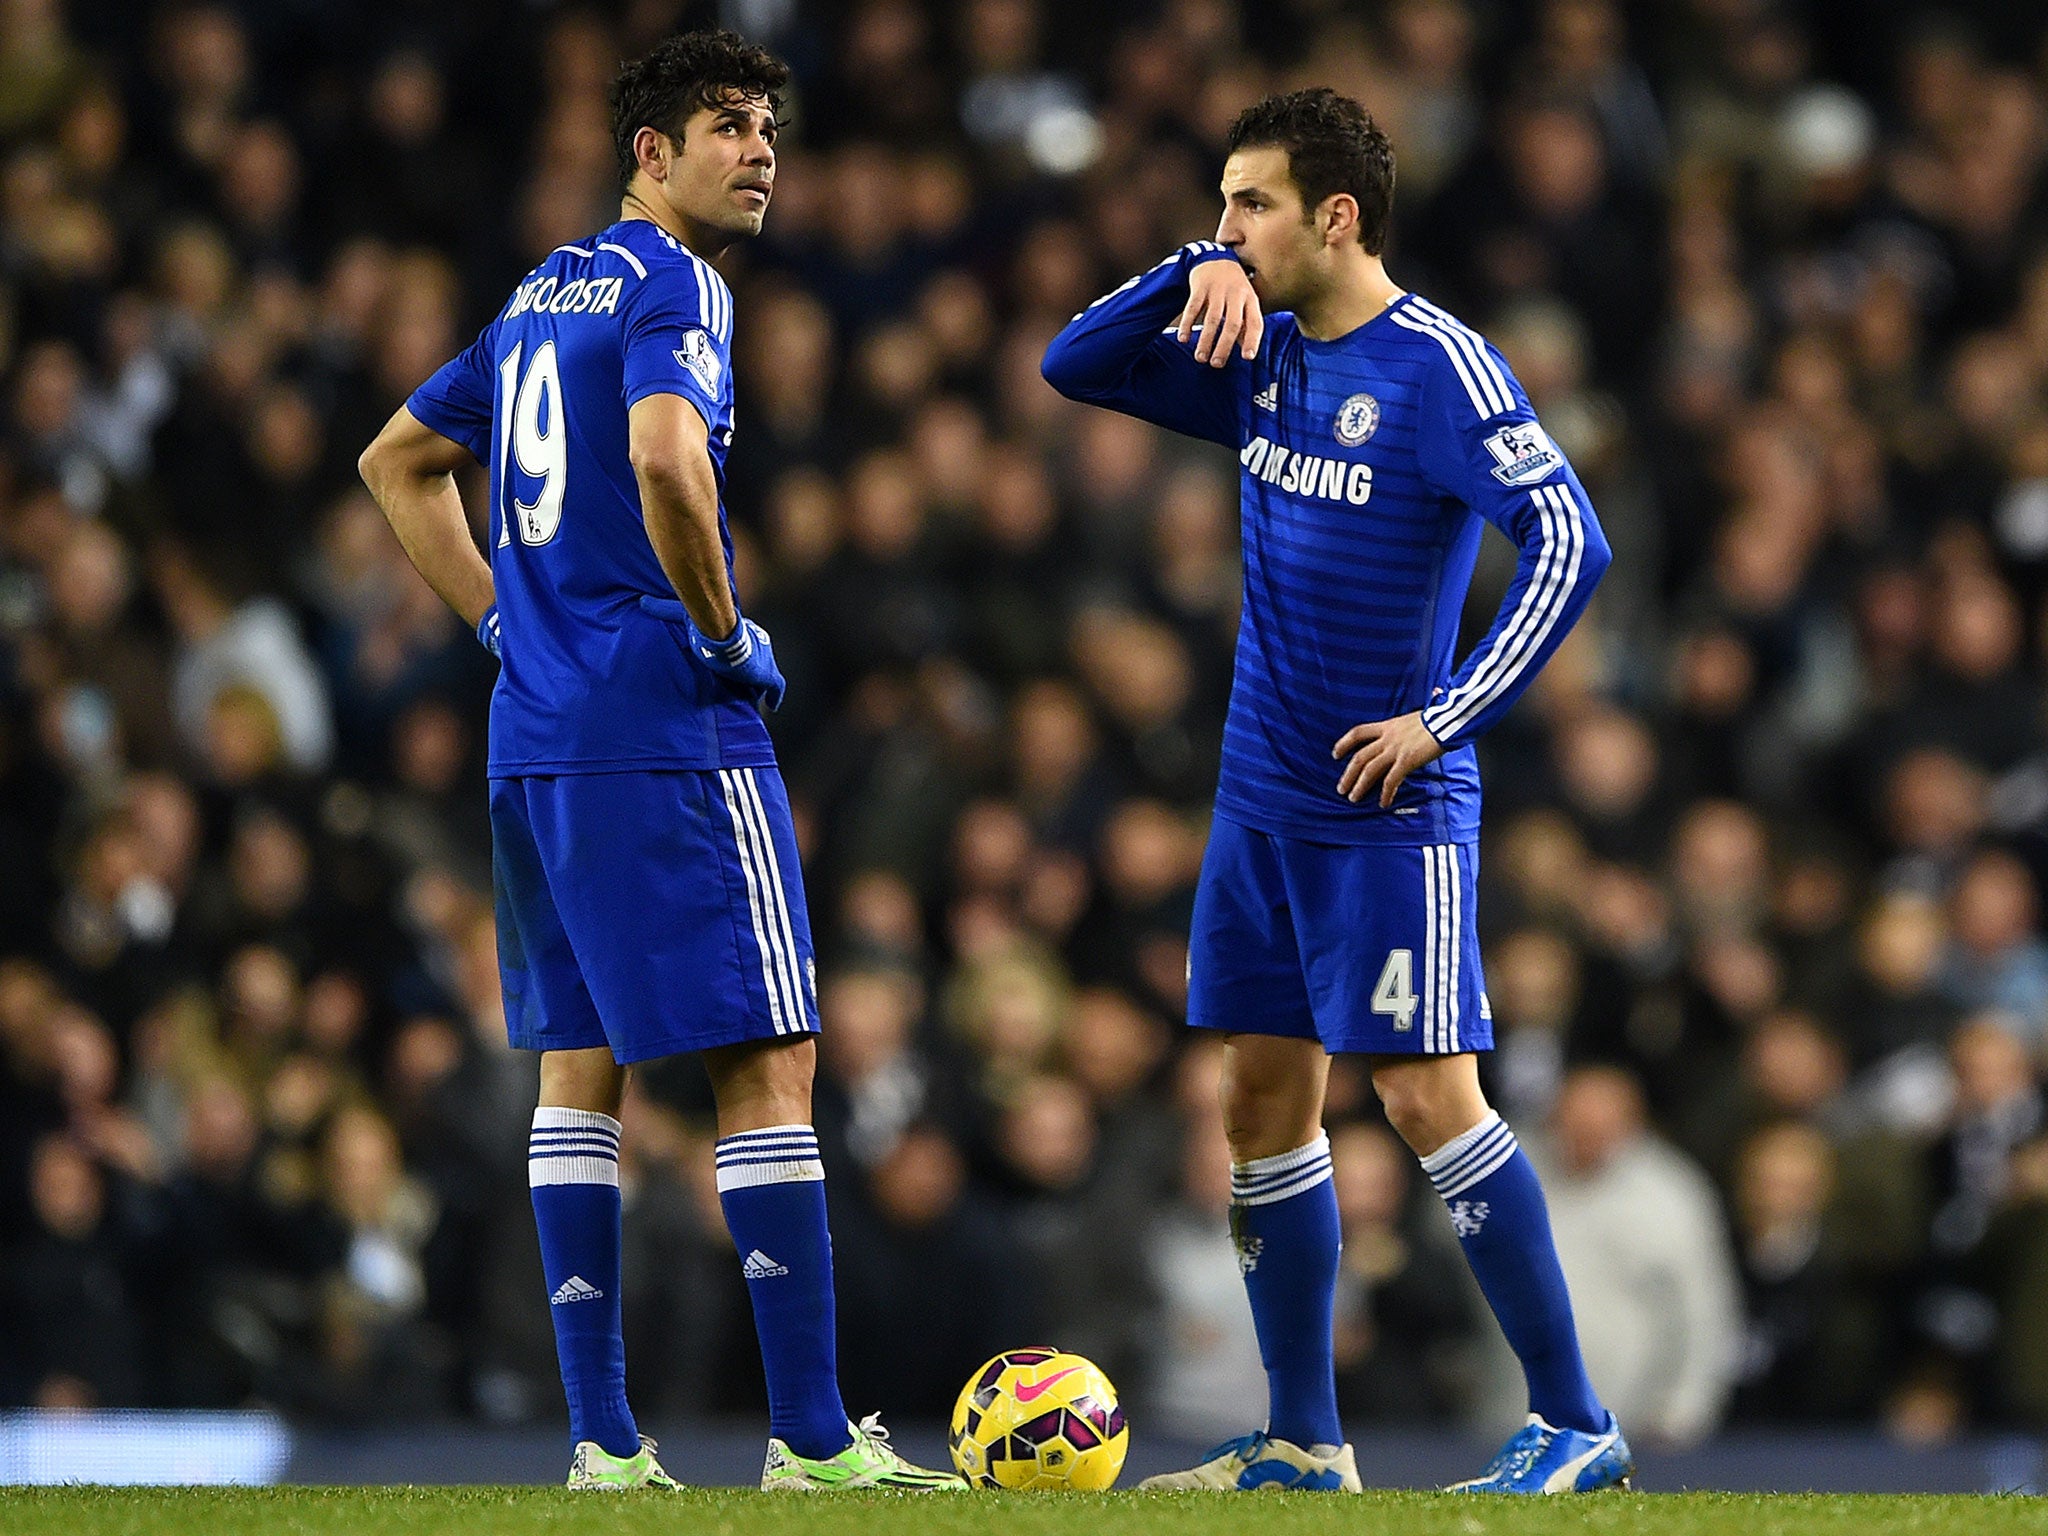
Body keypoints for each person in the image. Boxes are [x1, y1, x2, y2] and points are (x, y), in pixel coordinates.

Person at [357, 30, 959, 1494]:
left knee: (583, 1067)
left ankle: (603, 1449)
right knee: (771, 1058)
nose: (761, 151)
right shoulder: (675, 284)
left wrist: (508, 621)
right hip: (660, 723)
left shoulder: (533, 291)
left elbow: (395, 462)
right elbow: (668, 460)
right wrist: (723, 628)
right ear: (651, 151)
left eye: (770, 129)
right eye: (729, 126)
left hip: (541, 731)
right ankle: (813, 1442)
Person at [1042, 87, 1626, 1494]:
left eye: (1249, 205)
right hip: (1258, 806)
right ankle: (1305, 1441)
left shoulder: (1440, 369)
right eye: (1223, 204)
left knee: (1429, 1097)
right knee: (1259, 1107)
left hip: (1388, 815)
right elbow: (1075, 361)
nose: (1227, 228)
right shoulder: (1262, 352)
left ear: (1337, 217)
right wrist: (1193, 269)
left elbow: (1570, 545)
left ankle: (1576, 1420)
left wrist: (1444, 716)